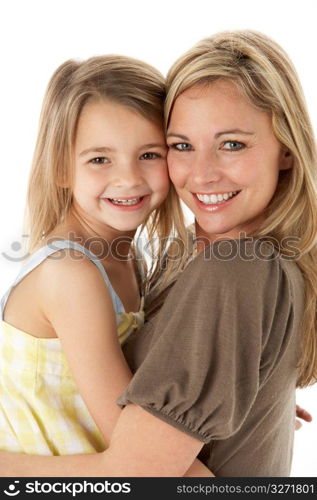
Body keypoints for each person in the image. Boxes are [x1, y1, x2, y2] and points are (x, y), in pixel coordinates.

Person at [0, 30, 316, 477]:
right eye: (182, 145)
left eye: (232, 144)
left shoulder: (235, 267)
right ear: (60, 167)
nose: (203, 174)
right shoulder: (182, 259)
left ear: (287, 147)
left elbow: (140, 469)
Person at [0, 53, 211, 476]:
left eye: (149, 155)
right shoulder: (71, 273)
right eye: (100, 159)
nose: (129, 178)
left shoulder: (126, 256)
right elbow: (139, 454)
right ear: (61, 167)